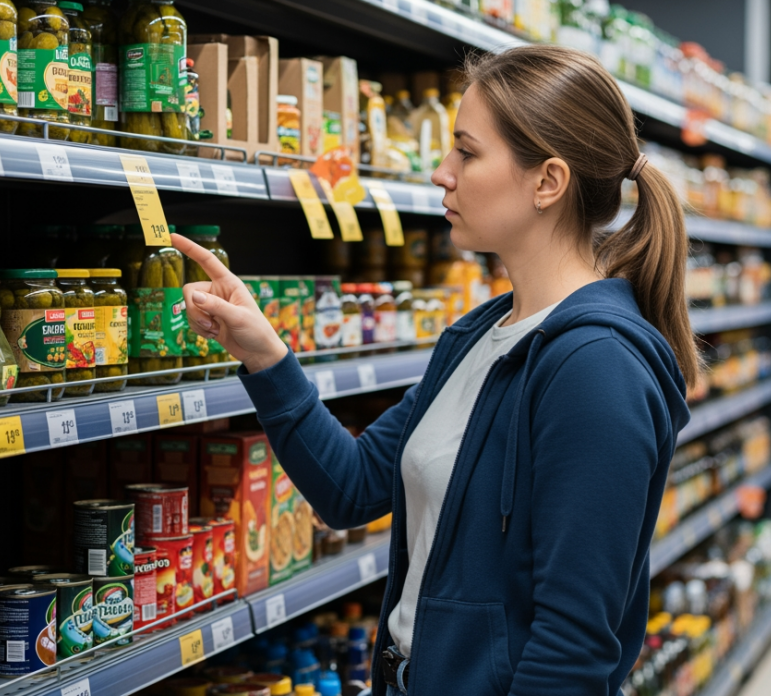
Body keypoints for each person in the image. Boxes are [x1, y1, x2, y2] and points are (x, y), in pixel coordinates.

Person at [173, 45, 695, 696]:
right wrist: (264, 354)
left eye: (467, 153)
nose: (441, 172)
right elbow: (351, 488)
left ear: (548, 182)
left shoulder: (597, 369)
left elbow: (572, 650)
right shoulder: (482, 335)